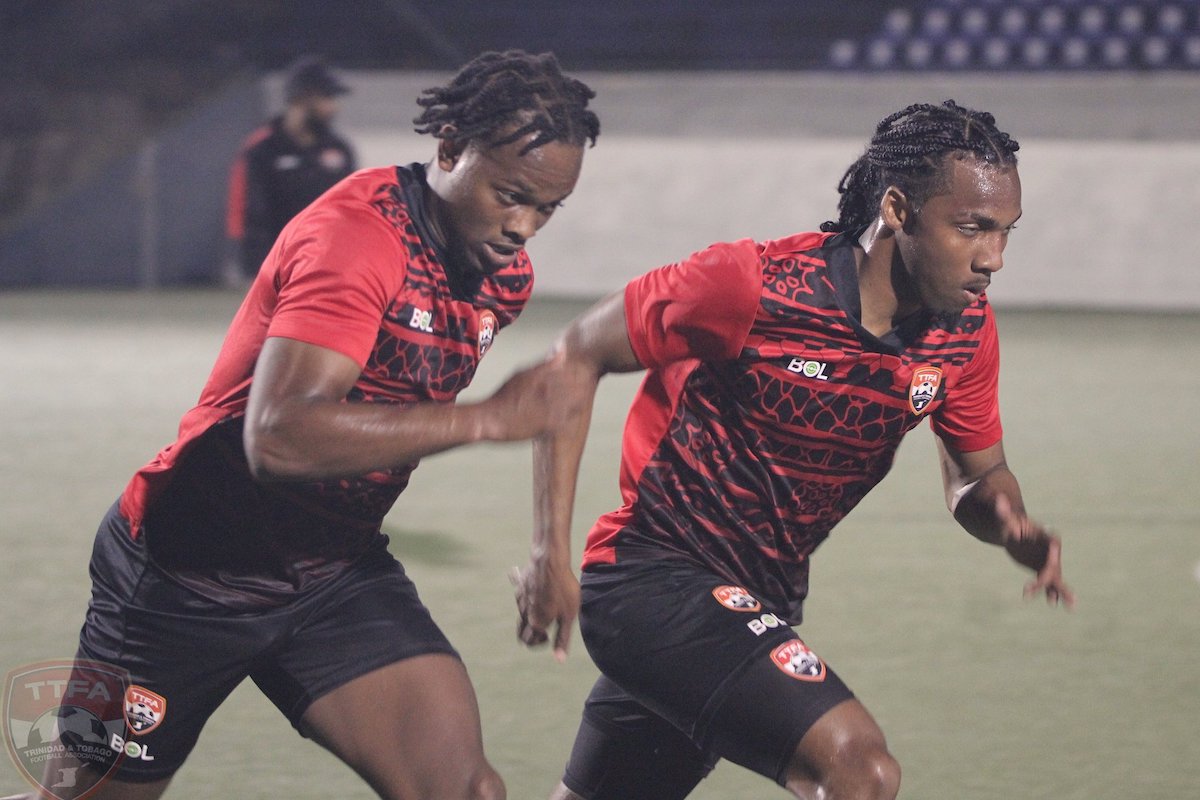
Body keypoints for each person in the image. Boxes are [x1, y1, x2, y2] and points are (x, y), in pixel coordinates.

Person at [27, 50, 599, 800]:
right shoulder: (356, 238)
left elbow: (559, 391)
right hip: (181, 580)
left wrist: (550, 550)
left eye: (546, 208)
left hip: (333, 576)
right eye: (509, 195)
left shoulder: (500, 274)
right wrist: (487, 419)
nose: (524, 227)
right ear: (451, 147)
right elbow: (278, 438)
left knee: (466, 792)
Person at [510, 100, 1074, 800]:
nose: (994, 258)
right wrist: (548, 553)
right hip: (653, 583)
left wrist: (1008, 524)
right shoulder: (753, 284)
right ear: (898, 208)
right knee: (860, 770)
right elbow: (573, 356)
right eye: (973, 228)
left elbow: (978, 478)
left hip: (752, 603)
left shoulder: (963, 336)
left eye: (1005, 232)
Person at [226, 55, 357, 280]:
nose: (333, 107)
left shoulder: (340, 150)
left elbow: (351, 212)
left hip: (327, 265)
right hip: (275, 265)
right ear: (302, 98)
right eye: (326, 97)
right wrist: (255, 267)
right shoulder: (262, 149)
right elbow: (244, 211)